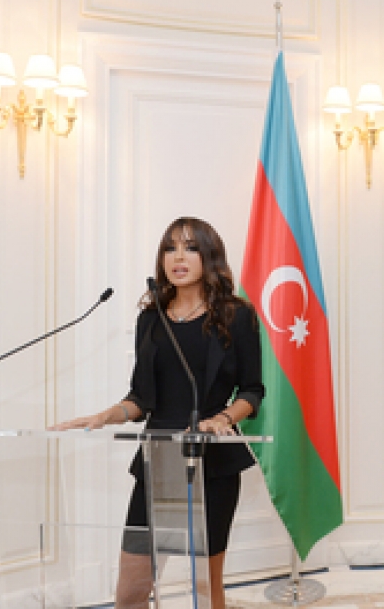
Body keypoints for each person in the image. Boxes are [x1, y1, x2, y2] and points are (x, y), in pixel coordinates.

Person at [51, 217, 264, 609]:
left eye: (190, 247)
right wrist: (106, 415)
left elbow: (252, 390)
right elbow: (141, 398)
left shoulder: (237, 316)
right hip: (159, 460)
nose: (178, 257)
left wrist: (223, 419)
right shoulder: (151, 318)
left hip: (212, 461)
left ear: (209, 256)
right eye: (170, 248)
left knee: (206, 589)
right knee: (131, 588)